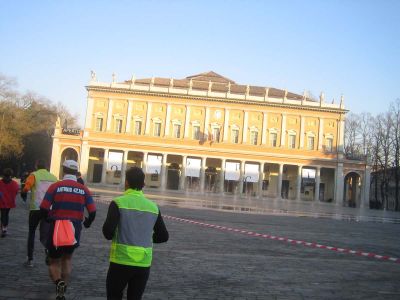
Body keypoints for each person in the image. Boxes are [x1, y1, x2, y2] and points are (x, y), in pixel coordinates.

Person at [103, 167, 169, 300]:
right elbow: (163, 236)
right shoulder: (153, 207)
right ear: (143, 185)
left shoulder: (118, 203)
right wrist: (146, 236)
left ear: (126, 182)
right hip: (143, 263)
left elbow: (108, 233)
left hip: (120, 261)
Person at [40, 159, 96, 300]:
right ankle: (62, 289)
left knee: (54, 261)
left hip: (57, 227)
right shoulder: (83, 189)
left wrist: (47, 218)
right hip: (74, 229)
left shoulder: (55, 186)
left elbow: (43, 207)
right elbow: (93, 211)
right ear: (77, 173)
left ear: (63, 170)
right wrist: (88, 222)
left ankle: (58, 282)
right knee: (67, 259)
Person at [22, 159, 58, 267]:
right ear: (47, 166)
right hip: (48, 209)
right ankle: (48, 251)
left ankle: (30, 259)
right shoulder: (53, 177)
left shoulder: (34, 175)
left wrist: (23, 194)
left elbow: (26, 188)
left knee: (32, 233)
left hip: (35, 208)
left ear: (36, 165)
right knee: (46, 233)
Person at [0, 168, 19, 237]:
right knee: (6, 215)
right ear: (11, 175)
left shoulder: (0, 182)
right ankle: (4, 229)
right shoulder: (15, 184)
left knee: (3, 214)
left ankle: (3, 228)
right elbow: (16, 191)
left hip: (1, 202)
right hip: (10, 202)